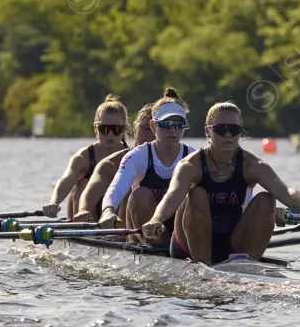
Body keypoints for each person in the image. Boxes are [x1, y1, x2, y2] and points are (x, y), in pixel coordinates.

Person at [140, 101, 300, 264]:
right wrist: (156, 219)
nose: (228, 135)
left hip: (232, 241)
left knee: (267, 199)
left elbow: (286, 191)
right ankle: (203, 265)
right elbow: (173, 195)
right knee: (197, 194)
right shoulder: (191, 165)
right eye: (221, 130)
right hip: (188, 245)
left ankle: (249, 266)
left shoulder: (253, 165)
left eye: (234, 130)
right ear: (208, 132)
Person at [98, 88, 196, 243]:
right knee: (140, 195)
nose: (172, 130)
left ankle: (184, 249)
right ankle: (157, 250)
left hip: (179, 230)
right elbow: (116, 187)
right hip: (143, 229)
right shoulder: (138, 156)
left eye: (178, 124)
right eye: (165, 124)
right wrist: (107, 211)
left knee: (197, 195)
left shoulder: (193, 156)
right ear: (153, 126)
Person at [42, 95, 129, 218]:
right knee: (81, 186)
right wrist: (54, 202)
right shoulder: (84, 157)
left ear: (124, 128)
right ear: (95, 127)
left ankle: (121, 231)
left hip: (117, 213)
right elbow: (66, 180)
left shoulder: (133, 155)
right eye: (104, 129)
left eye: (116, 129)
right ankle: (83, 227)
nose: (110, 134)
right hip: (87, 213)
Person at [73, 102, 156, 222]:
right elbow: (91, 190)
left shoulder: (182, 160)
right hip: (122, 227)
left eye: (157, 129)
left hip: (160, 228)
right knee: (134, 192)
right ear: (134, 127)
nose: (152, 135)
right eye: (147, 128)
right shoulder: (110, 163)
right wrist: (83, 210)